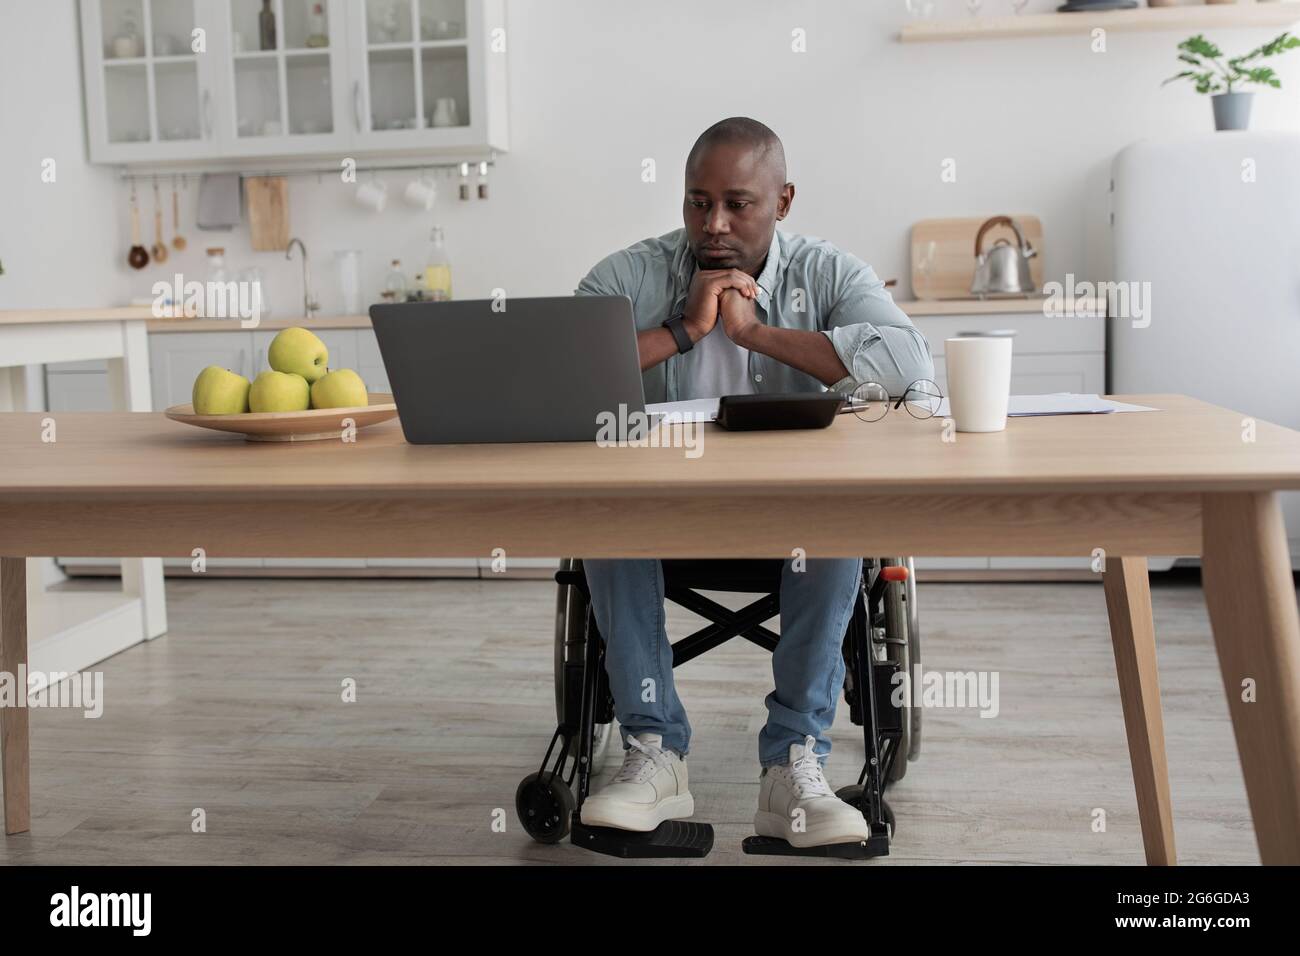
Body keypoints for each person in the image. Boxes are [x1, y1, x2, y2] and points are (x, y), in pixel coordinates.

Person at [573, 117, 934, 848]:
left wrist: (753, 333)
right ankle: (654, 754)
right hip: (661, 516)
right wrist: (682, 330)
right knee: (600, 517)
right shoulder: (636, 274)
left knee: (842, 519)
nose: (715, 225)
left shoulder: (827, 273)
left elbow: (908, 365)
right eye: (697, 203)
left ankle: (793, 765)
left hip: (795, 519)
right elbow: (557, 365)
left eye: (738, 204)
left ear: (784, 201)